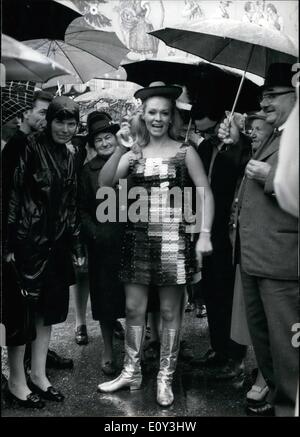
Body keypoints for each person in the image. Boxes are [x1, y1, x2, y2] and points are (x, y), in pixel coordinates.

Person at [97, 82, 214, 407]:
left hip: (174, 245)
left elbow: (204, 191)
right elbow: (105, 184)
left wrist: (204, 234)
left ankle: (165, 377)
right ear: (143, 115)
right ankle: (131, 372)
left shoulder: (185, 150)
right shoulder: (132, 151)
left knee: (168, 312)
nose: (158, 118)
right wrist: (121, 148)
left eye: (164, 112)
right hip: (136, 241)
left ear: (172, 115)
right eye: (152, 112)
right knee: (133, 309)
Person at [219, 63, 298, 416]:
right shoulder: (275, 133)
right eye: (263, 95)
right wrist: (235, 142)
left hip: (282, 262)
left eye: (273, 96)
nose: (264, 103)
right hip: (253, 258)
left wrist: (272, 177)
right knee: (266, 350)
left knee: (288, 355)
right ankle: (280, 402)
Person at [4, 96, 85, 406]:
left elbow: (71, 201)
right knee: (22, 315)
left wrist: (76, 244)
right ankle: (17, 380)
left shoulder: (71, 153)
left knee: (47, 312)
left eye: (71, 123)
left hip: (57, 244)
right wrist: (10, 243)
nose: (65, 128)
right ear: (49, 121)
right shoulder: (27, 145)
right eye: (59, 121)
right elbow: (13, 194)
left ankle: (39, 375)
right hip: (27, 244)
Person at [189, 95, 251, 380]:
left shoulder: (240, 146)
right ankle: (217, 347)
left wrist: (236, 143)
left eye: (211, 130)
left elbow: (242, 176)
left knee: (229, 295)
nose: (208, 136)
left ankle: (235, 358)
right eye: (204, 132)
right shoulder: (203, 148)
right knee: (211, 291)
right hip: (206, 228)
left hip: (230, 231)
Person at [230, 111, 273, 414]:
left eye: (260, 128)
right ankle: (265, 374)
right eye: (251, 128)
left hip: (271, 254)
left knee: (272, 324)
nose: (254, 132)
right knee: (255, 323)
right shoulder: (251, 156)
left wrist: (268, 175)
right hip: (247, 252)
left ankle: (266, 378)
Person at [78, 111, 125, 374]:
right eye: (99, 140)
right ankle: (107, 350)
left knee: (135, 299)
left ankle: (135, 350)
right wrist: (93, 232)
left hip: (130, 242)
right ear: (92, 145)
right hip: (102, 246)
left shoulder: (129, 162)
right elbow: (81, 208)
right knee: (105, 301)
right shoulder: (87, 171)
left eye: (109, 137)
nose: (105, 143)